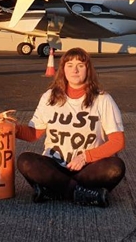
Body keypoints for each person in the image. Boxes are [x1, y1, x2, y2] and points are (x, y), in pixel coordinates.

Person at [15, 47, 126, 207]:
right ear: (63, 70)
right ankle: (81, 193)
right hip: (55, 166)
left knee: (115, 167)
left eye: (80, 65)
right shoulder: (50, 97)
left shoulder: (103, 99)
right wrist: (11, 128)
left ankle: (53, 191)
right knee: (26, 161)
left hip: (88, 168)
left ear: (88, 69)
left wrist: (85, 157)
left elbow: (117, 142)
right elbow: (33, 134)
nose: (75, 70)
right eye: (69, 65)